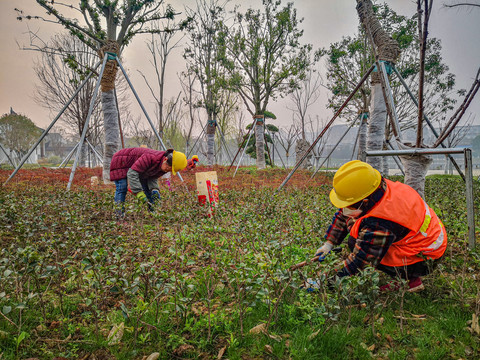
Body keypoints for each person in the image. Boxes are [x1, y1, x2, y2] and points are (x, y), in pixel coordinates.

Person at [315, 160, 447, 293]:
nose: (344, 210)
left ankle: (409, 281)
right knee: (356, 233)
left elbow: (361, 260)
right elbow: (345, 212)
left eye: (349, 206)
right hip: (427, 238)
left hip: (425, 257)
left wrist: (325, 282)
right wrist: (329, 243)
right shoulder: (375, 187)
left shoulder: (382, 221)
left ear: (365, 201)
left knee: (357, 243)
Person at [110, 147, 197, 217]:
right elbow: (132, 173)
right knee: (122, 187)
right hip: (121, 161)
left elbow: (152, 176)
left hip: (136, 167)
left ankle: (153, 213)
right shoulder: (150, 157)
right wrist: (138, 192)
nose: (167, 170)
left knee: (148, 191)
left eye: (170, 170)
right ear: (165, 159)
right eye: (168, 168)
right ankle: (118, 215)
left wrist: (154, 190)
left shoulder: (164, 165)